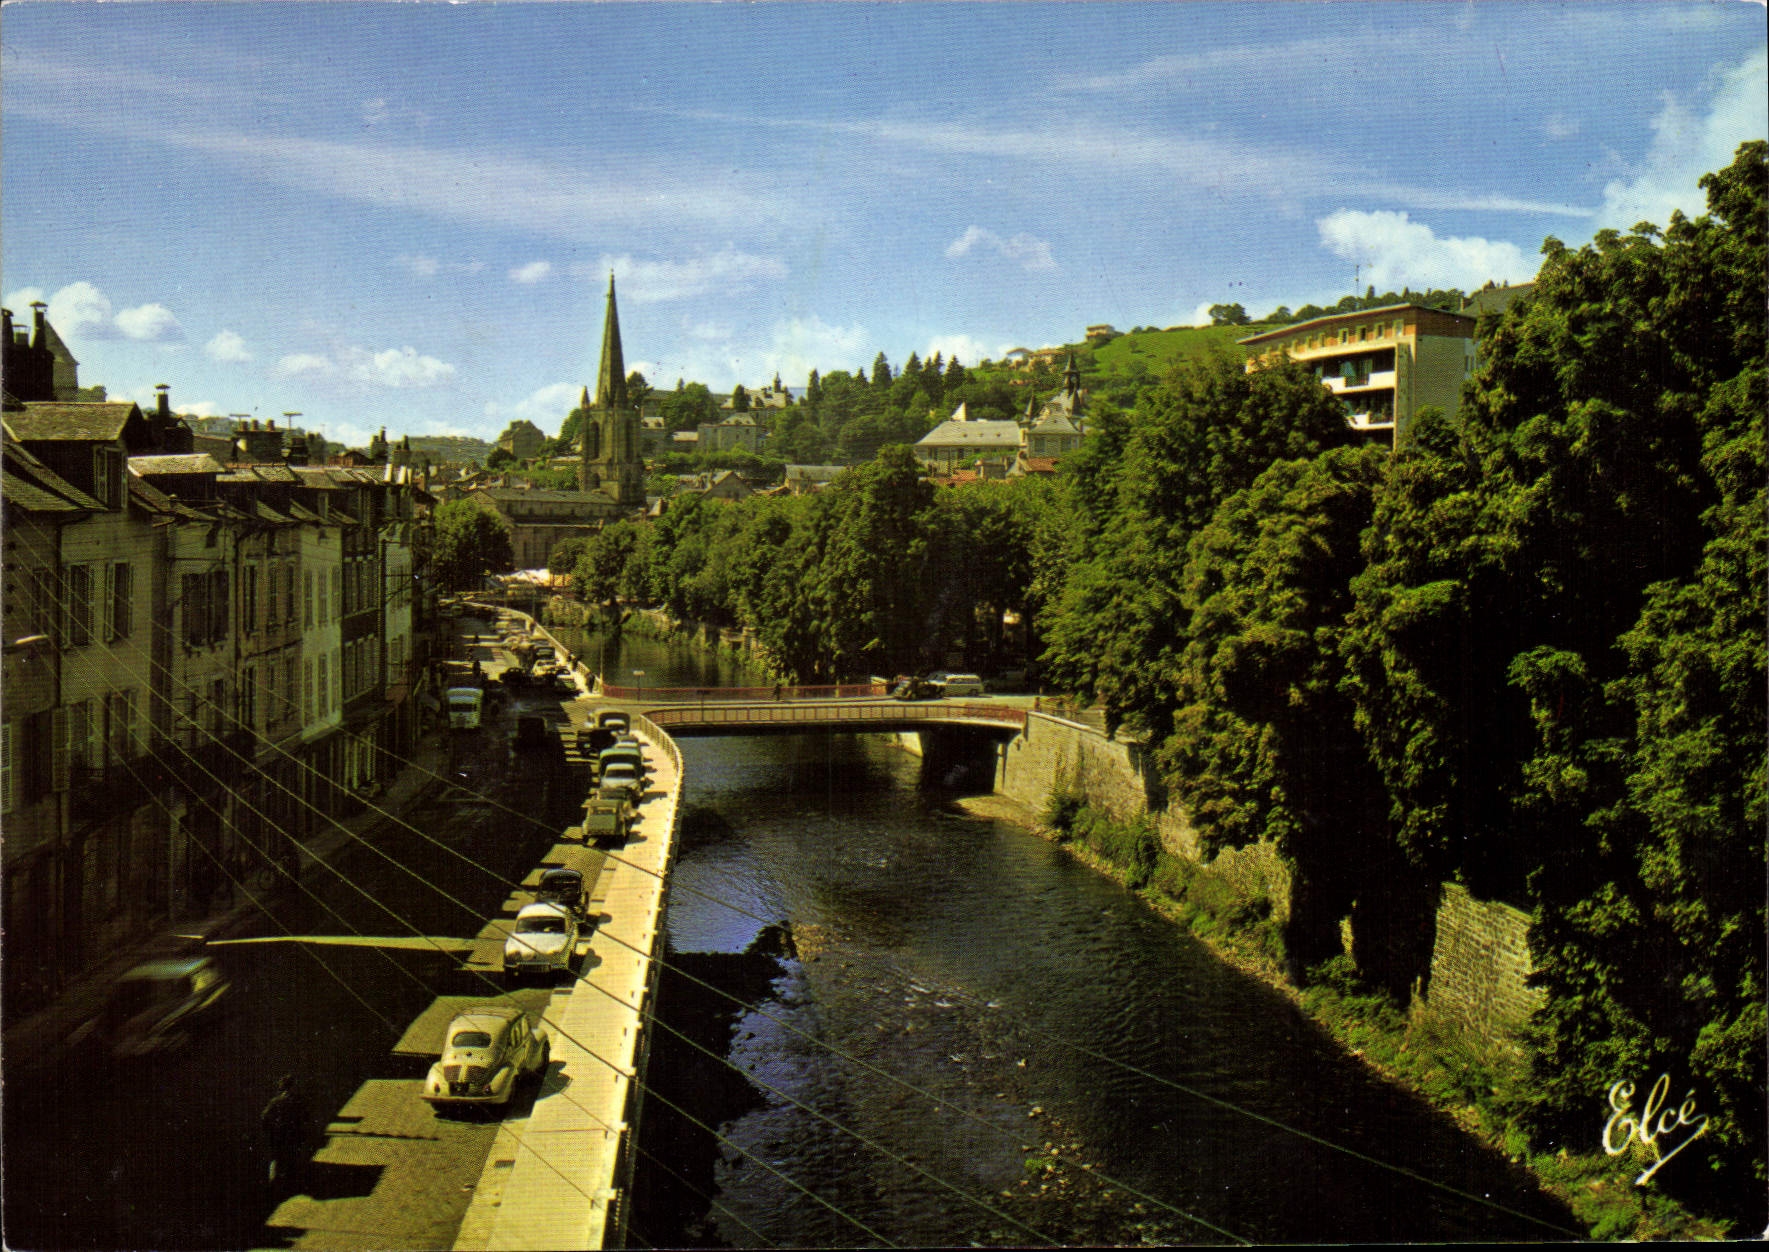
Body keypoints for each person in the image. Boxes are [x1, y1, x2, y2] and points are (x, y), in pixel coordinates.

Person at [260, 1073, 310, 1191]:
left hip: (278, 1135)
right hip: (292, 1135)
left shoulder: (275, 1101)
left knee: (276, 1158)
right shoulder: (298, 1101)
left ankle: (273, 1183)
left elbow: (264, 1116)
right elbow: (305, 1118)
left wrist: (269, 1129)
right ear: (292, 1086)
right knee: (291, 1158)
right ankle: (290, 1184)